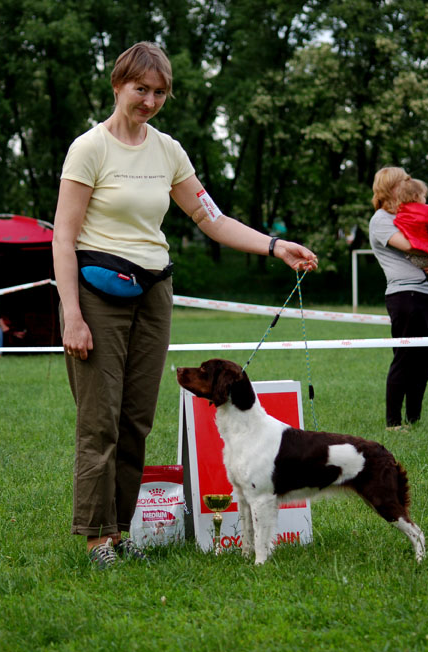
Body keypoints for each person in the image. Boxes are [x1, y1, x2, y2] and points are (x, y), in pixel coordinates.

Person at [53, 41, 318, 569]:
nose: (149, 100)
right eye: (140, 89)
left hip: (154, 291)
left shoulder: (168, 150)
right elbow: (63, 235)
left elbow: (210, 218)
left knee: (136, 420)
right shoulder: (89, 148)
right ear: (117, 85)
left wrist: (273, 244)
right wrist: (73, 315)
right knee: (99, 421)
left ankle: (121, 531)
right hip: (96, 293)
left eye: (159, 92)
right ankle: (95, 538)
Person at [369, 166, 428, 430]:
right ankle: (393, 423)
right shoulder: (381, 220)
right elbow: (411, 245)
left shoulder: (411, 213)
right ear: (391, 187)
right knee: (406, 358)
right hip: (405, 295)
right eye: (405, 180)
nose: (410, 184)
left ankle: (414, 419)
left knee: (426, 361)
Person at [393, 177, 428, 285]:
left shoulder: (399, 212)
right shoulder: (426, 210)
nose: (425, 199)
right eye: (424, 196)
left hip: (413, 257)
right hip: (427, 253)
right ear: (416, 196)